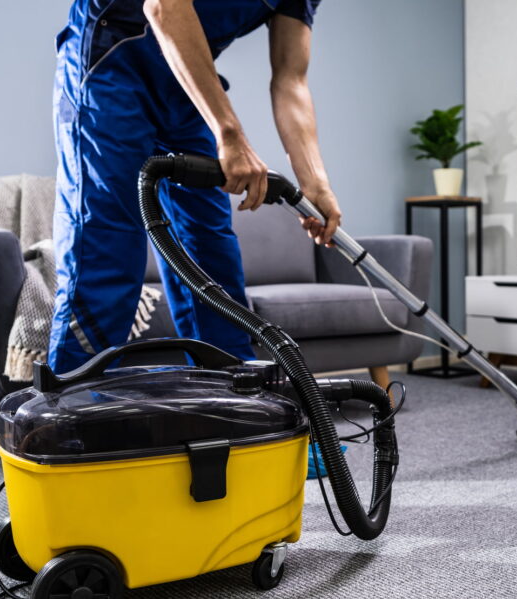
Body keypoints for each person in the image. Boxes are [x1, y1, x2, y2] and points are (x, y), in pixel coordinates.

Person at [49, 0, 340, 372]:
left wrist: (315, 183)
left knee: (208, 248)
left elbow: (291, 79)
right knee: (107, 243)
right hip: (111, 61)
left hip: (185, 84)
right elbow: (164, 7)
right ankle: (73, 408)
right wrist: (229, 132)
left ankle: (231, 400)